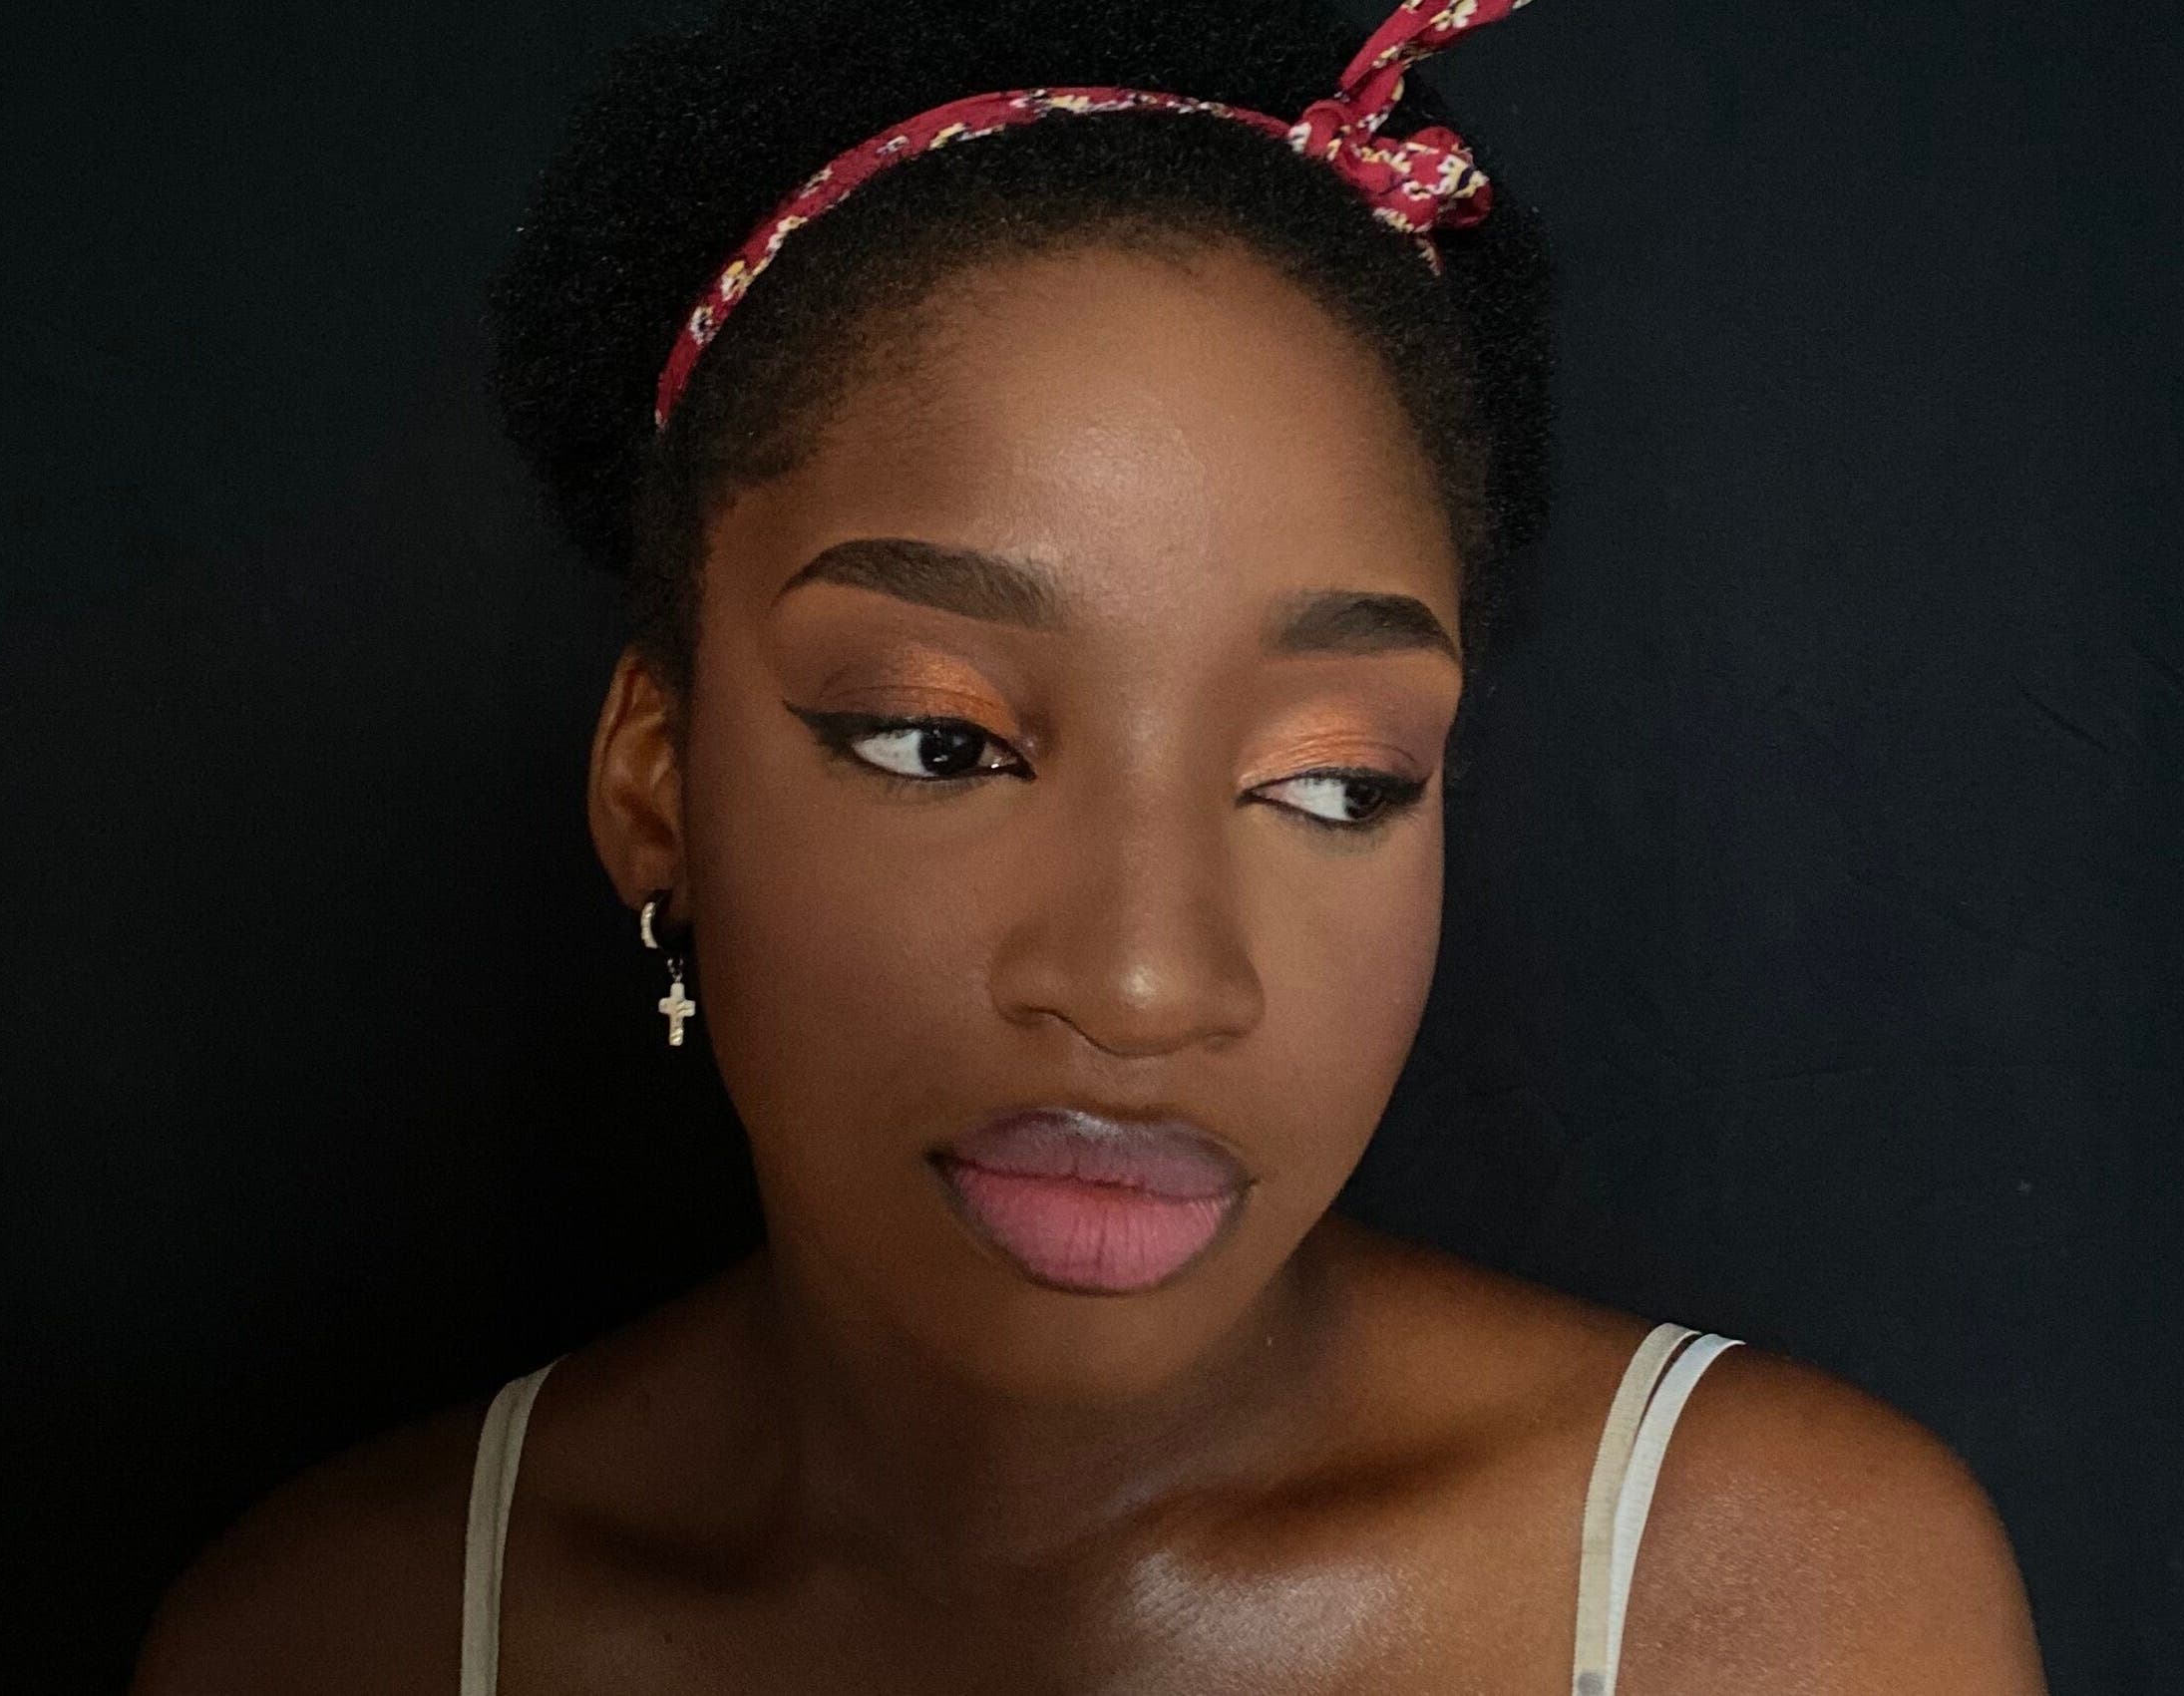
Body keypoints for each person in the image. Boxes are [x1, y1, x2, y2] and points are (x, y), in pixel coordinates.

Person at [130, 2, 2045, 1689]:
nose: (1146, 982)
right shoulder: (333, 1641)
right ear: (654, 776)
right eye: (940, 739)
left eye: (1332, 781)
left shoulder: (1779, 1609)